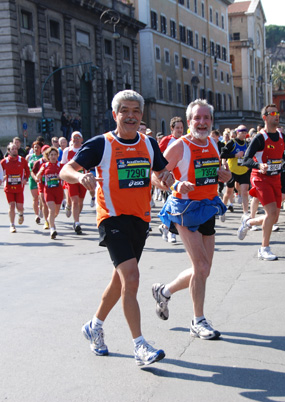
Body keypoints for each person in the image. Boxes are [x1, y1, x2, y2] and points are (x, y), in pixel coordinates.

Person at [59, 89, 173, 366]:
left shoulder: (148, 144)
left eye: (136, 111)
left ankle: (94, 326)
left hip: (140, 219)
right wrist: (79, 176)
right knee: (131, 278)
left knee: (119, 280)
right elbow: (65, 170)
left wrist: (167, 179)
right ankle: (139, 346)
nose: (131, 116)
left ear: (141, 115)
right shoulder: (101, 144)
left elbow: (158, 176)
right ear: (115, 114)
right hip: (112, 218)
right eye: (125, 111)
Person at [152, 99, 231, 340]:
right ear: (189, 122)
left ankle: (164, 291)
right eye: (197, 118)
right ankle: (198, 321)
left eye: (206, 118)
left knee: (203, 271)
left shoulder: (214, 144)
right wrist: (175, 183)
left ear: (211, 121)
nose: (202, 122)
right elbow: (154, 176)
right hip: (184, 209)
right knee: (202, 267)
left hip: (208, 206)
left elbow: (216, 174)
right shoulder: (179, 146)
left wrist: (224, 176)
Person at [236, 104, 285, 261]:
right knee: (270, 213)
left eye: (277, 113)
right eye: (272, 113)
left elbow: (282, 157)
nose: (276, 115)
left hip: (275, 178)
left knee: (274, 218)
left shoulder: (282, 137)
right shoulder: (260, 138)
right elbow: (246, 160)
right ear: (265, 117)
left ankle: (249, 222)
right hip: (261, 178)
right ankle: (264, 248)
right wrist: (258, 165)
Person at [157, 116, 185, 243]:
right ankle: (171, 233)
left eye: (181, 128)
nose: (180, 130)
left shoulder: (186, 141)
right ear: (172, 129)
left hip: (181, 179)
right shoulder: (166, 140)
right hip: (168, 178)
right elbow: (158, 157)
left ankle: (165, 227)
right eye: (177, 128)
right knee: (172, 204)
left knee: (174, 205)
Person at [61, 132, 92, 234]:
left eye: (78, 137)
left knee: (80, 201)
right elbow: (63, 166)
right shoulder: (67, 151)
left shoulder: (85, 149)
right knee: (74, 200)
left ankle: (76, 215)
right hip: (71, 179)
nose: (76, 139)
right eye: (74, 137)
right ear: (71, 139)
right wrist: (63, 178)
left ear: (82, 139)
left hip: (82, 178)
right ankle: (77, 222)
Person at [221, 125, 251, 218]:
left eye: (245, 133)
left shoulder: (247, 144)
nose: (244, 135)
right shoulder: (232, 142)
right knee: (229, 192)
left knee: (245, 191)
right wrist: (235, 155)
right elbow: (222, 154)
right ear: (237, 133)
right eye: (242, 133)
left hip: (244, 170)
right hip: (232, 170)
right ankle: (222, 210)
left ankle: (245, 214)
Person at [1, 142, 30, 233]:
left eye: (16, 149)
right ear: (9, 151)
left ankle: (21, 214)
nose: (15, 150)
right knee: (12, 205)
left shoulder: (22, 160)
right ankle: (12, 225)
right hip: (9, 187)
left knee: (20, 207)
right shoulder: (4, 162)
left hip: (19, 187)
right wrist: (2, 178)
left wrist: (25, 179)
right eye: (12, 149)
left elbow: (27, 171)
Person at [27, 141, 44, 224]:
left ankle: (40, 209)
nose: (36, 149)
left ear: (41, 148)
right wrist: (33, 177)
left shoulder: (43, 157)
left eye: (38, 147)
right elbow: (28, 169)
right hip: (32, 179)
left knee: (41, 197)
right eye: (34, 147)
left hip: (41, 179)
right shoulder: (30, 157)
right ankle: (36, 215)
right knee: (35, 198)